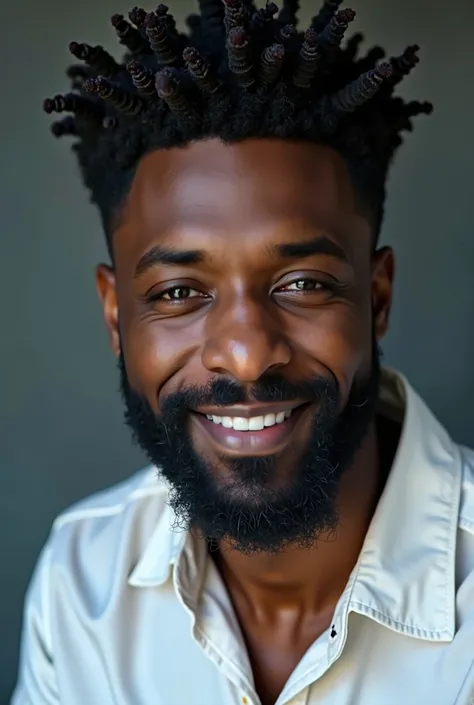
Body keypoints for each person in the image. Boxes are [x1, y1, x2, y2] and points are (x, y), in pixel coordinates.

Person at [12, 1, 474, 704]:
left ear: (377, 298)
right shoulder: (82, 586)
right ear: (115, 315)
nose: (248, 355)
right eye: (177, 293)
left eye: (304, 283)